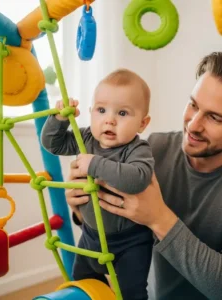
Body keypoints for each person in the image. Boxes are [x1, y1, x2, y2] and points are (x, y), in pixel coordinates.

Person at [66, 51, 222, 300]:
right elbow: (109, 221)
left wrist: (159, 218)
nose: (193, 125)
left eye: (214, 117)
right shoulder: (152, 150)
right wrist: (80, 210)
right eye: (194, 105)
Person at [41, 69, 155, 300]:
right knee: (82, 283)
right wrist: (59, 119)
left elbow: (137, 178)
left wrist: (95, 164)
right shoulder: (87, 139)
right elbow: (52, 144)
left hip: (130, 243)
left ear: (142, 123)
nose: (109, 119)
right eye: (101, 110)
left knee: (130, 293)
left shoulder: (137, 149)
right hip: (91, 236)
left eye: (122, 113)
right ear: (91, 112)